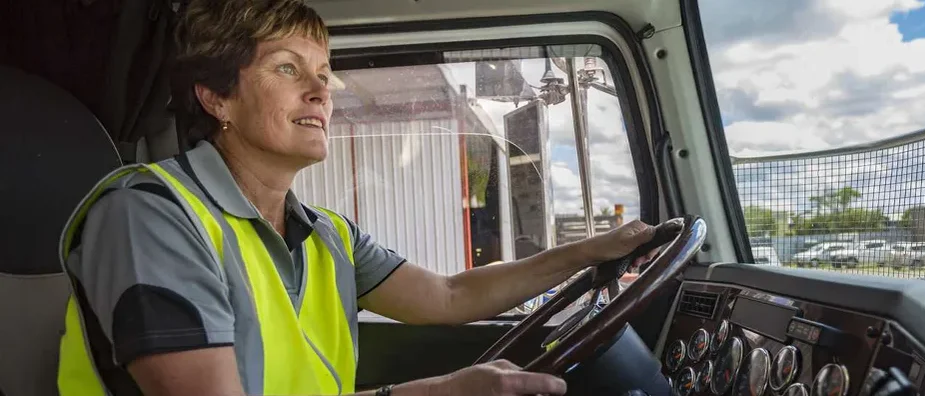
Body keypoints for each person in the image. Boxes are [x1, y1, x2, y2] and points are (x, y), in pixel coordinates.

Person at [54, 0, 658, 395]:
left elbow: (449, 295)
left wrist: (588, 253)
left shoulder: (325, 234)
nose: (321, 90)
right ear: (216, 97)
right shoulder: (150, 216)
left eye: (324, 72)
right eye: (288, 69)